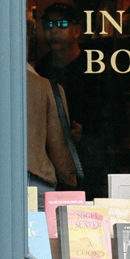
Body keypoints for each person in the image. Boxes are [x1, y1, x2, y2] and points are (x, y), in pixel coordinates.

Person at [38, 2, 109, 197]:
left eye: (61, 25)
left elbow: (115, 120)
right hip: (51, 167)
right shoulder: (41, 69)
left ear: (77, 30)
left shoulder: (96, 68)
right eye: (48, 26)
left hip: (88, 167)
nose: (53, 31)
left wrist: (86, 135)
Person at [27, 19, 79, 193]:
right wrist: (72, 181)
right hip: (34, 180)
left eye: (63, 24)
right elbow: (59, 146)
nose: (55, 30)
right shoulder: (46, 87)